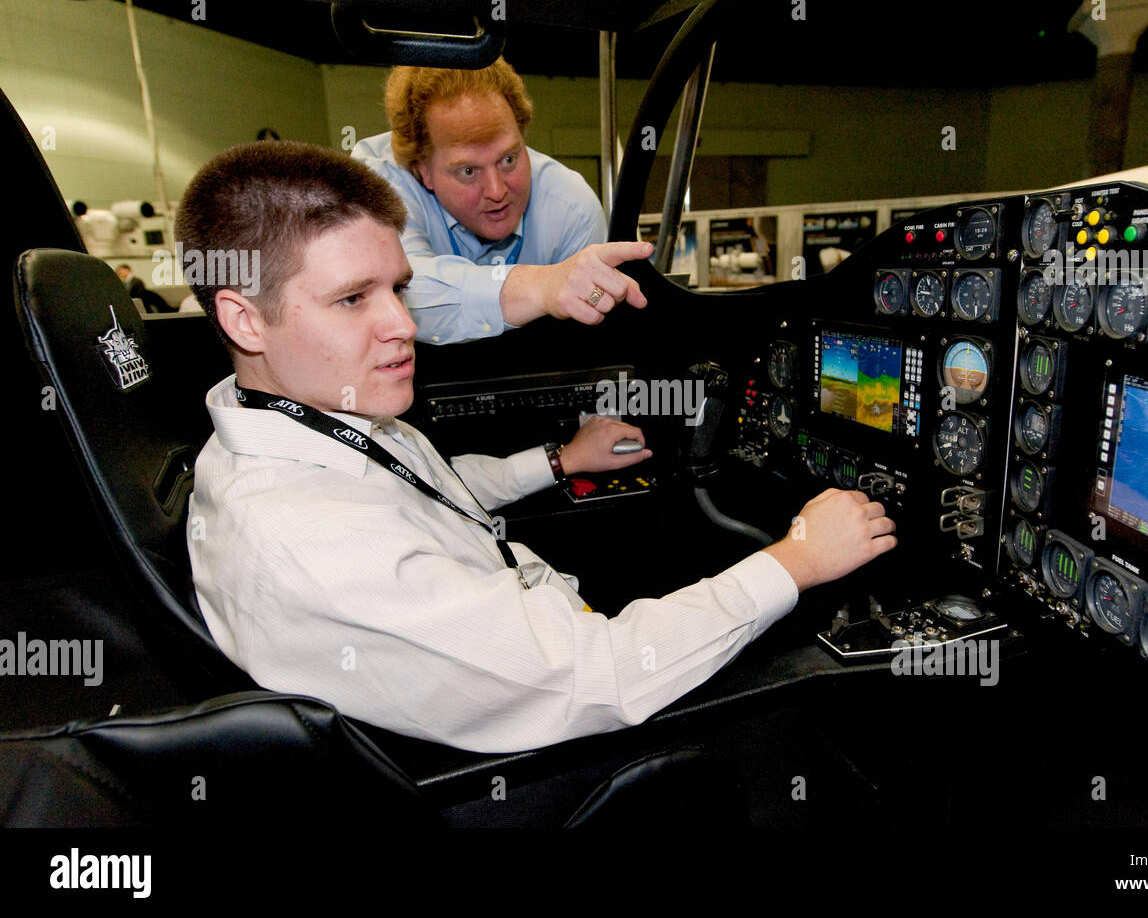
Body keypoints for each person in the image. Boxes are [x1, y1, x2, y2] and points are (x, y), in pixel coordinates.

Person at [178, 141, 898, 754]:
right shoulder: (311, 543)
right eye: (352, 299)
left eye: (398, 288)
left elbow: (423, 493)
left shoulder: (288, 425)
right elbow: (608, 675)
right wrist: (798, 559)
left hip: (532, 633)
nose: (402, 323)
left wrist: (558, 461)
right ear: (245, 319)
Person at [352, 59, 653, 345]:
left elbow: (588, 346)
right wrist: (541, 285)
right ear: (423, 171)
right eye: (468, 171)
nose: (496, 191)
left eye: (509, 159)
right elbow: (399, 291)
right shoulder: (380, 186)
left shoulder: (571, 208)